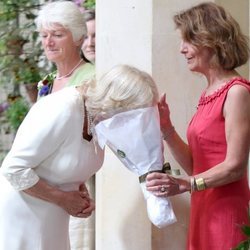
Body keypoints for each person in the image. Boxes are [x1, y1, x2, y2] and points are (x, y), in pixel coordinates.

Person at [0, 64, 159, 250]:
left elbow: (68, 161)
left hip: (53, 215)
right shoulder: (62, 108)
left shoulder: (99, 116)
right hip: (22, 213)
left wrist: (79, 192)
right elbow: (13, 168)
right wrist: (64, 199)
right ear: (117, 103)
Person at [146, 2, 250, 250]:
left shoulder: (237, 92)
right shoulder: (208, 94)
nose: (182, 50)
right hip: (204, 206)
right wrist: (167, 128)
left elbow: (235, 166)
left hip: (226, 210)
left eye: (187, 41)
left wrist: (186, 184)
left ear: (210, 39)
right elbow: (197, 165)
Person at [35, 2, 96, 249]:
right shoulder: (47, 83)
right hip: (43, 185)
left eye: (58, 35)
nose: (49, 42)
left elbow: (93, 134)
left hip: (77, 181)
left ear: (79, 38)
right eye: (44, 35)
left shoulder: (92, 77)